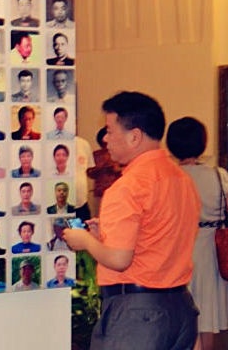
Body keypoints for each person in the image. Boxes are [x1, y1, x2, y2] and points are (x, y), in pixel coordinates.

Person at [63, 92, 201, 348]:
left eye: (109, 131)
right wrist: (102, 238)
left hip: (138, 314)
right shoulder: (182, 179)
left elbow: (119, 260)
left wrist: (85, 241)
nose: (105, 139)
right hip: (180, 307)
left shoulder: (129, 186)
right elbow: (157, 237)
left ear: (134, 136)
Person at [166, 117, 228, 349]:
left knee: (180, 311)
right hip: (211, 250)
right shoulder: (219, 175)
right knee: (207, 314)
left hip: (177, 249)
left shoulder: (169, 177)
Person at [87, 127, 123, 213]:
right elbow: (90, 172)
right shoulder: (96, 154)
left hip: (119, 191)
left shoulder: (121, 153)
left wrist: (118, 168)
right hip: (101, 193)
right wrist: (103, 166)